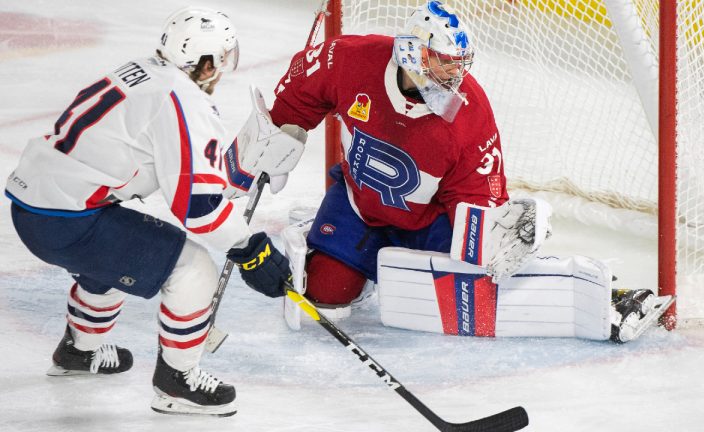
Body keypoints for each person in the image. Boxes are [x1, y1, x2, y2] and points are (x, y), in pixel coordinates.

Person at [262, 1, 672, 343]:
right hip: (357, 202)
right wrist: (279, 137)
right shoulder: (352, 58)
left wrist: (490, 237)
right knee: (326, 294)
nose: (452, 75)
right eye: (441, 62)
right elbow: (302, 92)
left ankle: (607, 294)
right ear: (412, 53)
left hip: (428, 220)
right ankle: (339, 245)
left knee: (485, 280)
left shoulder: (469, 112)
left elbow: (477, 193)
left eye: (457, 64)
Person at [5, 6, 301, 416]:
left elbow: (165, 168)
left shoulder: (145, 70)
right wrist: (251, 249)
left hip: (35, 209)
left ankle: (80, 350)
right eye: (224, 57)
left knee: (111, 255)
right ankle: (177, 381)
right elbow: (198, 211)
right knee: (193, 268)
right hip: (67, 220)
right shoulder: (183, 100)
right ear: (207, 61)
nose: (224, 68)